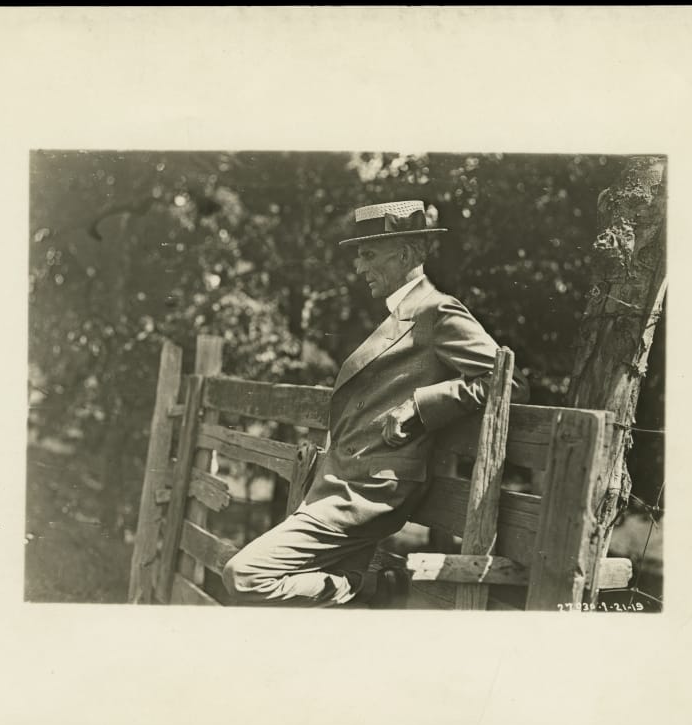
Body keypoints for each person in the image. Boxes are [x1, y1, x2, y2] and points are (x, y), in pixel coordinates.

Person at [221, 200, 529, 608]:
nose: (358, 267)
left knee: (243, 575)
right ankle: (356, 584)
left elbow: (507, 381)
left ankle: (357, 587)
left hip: (371, 492)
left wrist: (420, 407)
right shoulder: (398, 315)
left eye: (368, 255)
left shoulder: (438, 311)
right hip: (344, 482)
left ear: (403, 254)